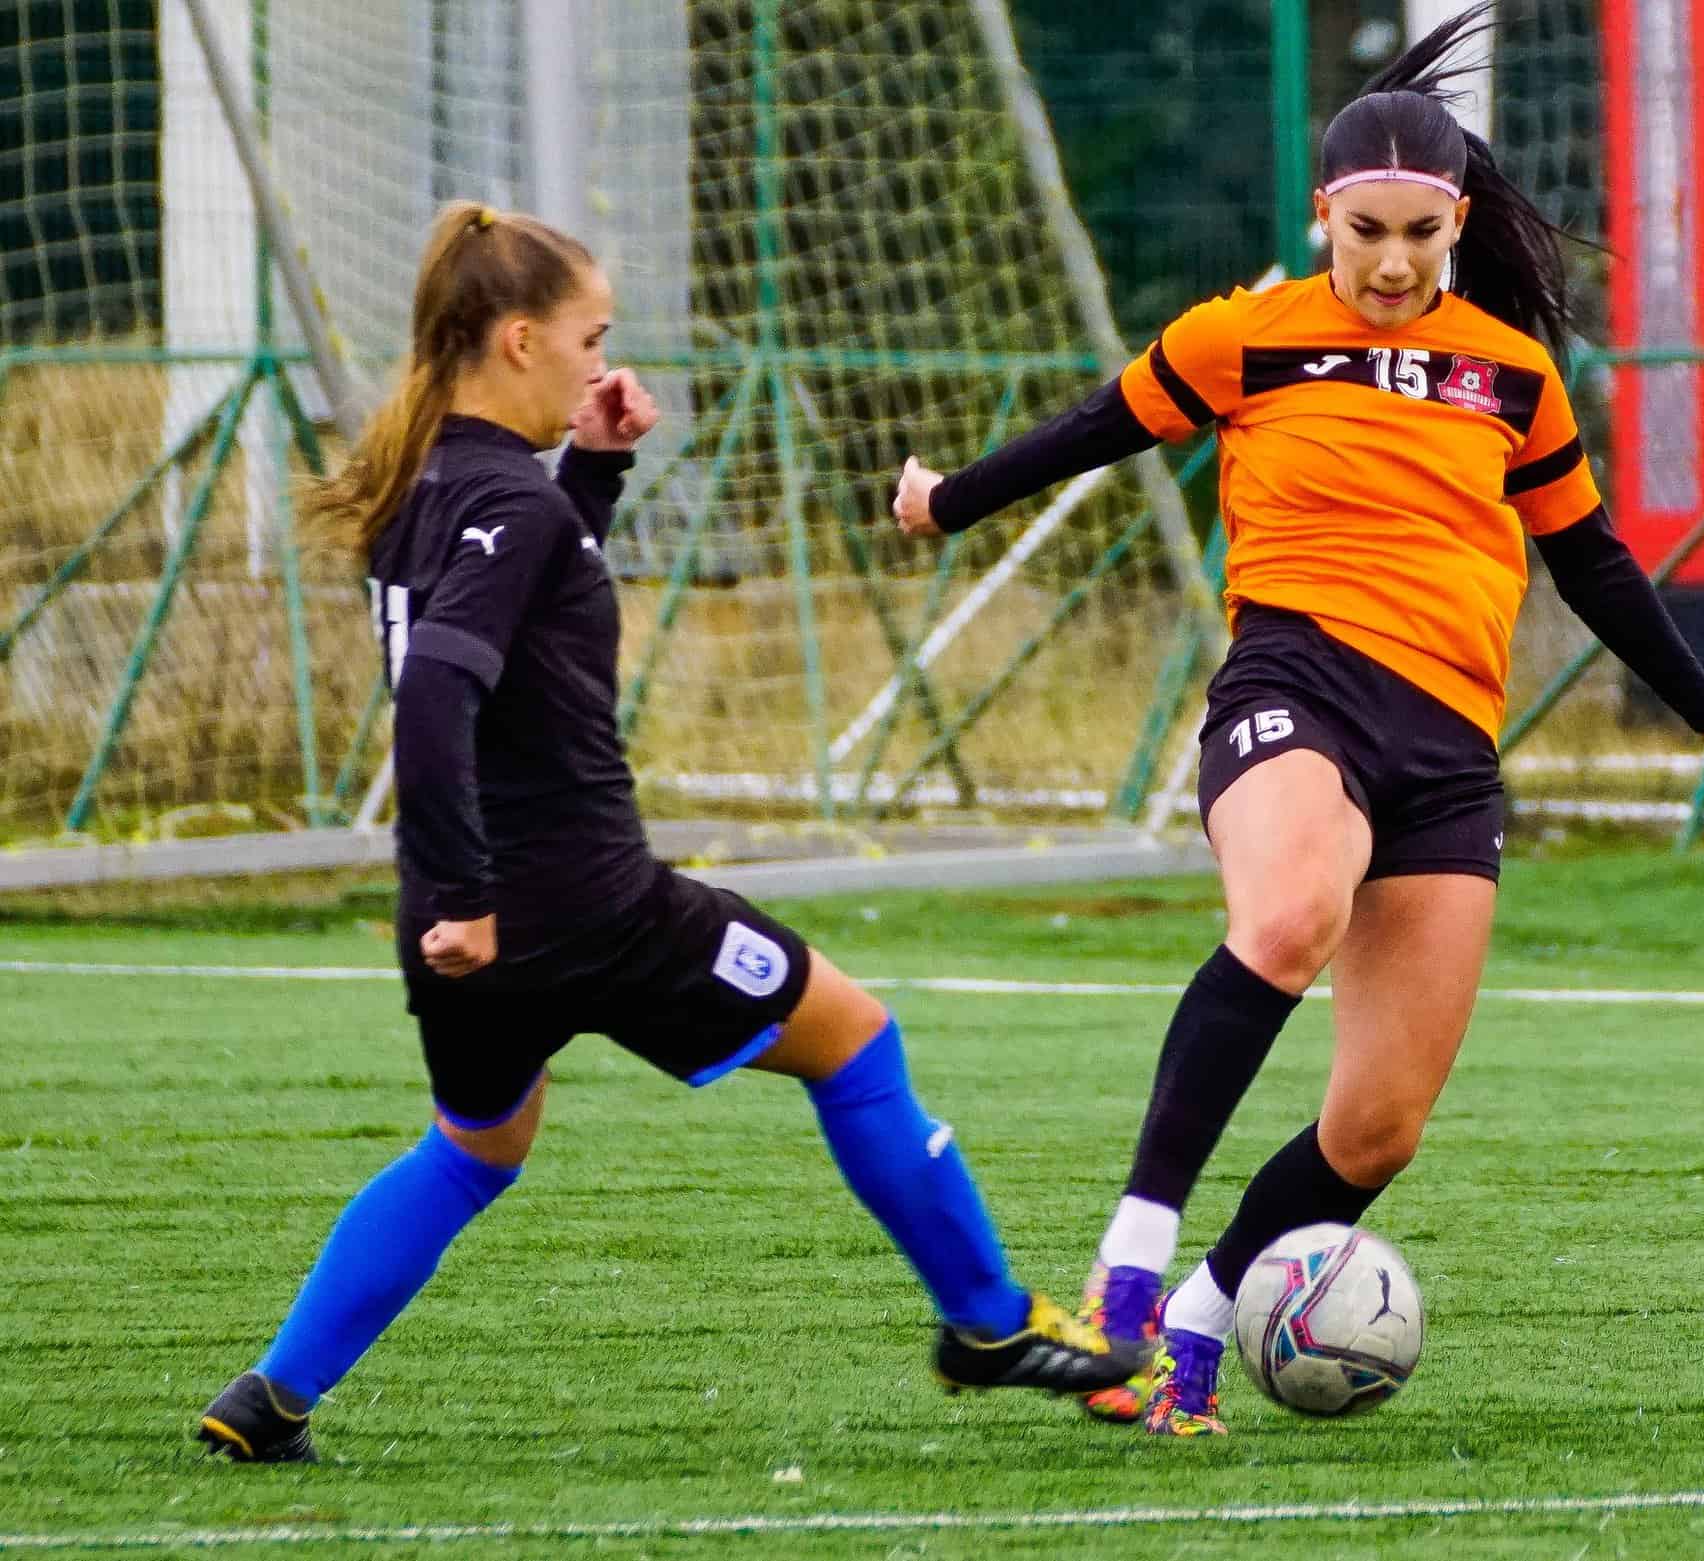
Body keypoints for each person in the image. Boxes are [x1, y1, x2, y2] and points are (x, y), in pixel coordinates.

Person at [892, 5, 1704, 1437]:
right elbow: (1092, 431)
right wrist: (947, 502)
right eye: (1365, 230)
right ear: (1323, 216)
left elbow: (1592, 558)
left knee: (1380, 1127)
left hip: (1446, 749)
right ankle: (1127, 1266)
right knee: (1290, 917)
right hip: (1296, 684)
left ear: (1454, 226)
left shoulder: (1512, 372)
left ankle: (1194, 1324)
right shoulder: (1243, 341)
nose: (1390, 262)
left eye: (1419, 236)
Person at [194, 201, 1145, 1464]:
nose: (604, 360)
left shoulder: (427, 491)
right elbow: (437, 690)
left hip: (460, 919)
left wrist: (593, 466)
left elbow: (513, 610)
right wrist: (477, 889)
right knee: (856, 1041)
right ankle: (983, 1320)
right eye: (591, 337)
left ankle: (269, 1397)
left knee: (476, 1148)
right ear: (520, 339)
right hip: (585, 905)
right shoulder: (506, 508)